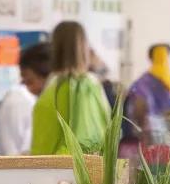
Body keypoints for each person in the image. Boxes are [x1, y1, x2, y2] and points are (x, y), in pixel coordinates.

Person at [31, 21, 112, 154]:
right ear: (84, 47)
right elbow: (104, 129)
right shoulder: (91, 85)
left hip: (51, 168)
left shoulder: (52, 86)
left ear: (55, 47)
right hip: (87, 169)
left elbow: (43, 135)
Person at [122, 43, 170, 162]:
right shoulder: (143, 83)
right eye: (159, 55)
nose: (162, 59)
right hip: (150, 137)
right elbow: (136, 111)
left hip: (169, 137)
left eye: (164, 55)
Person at [0, 40, 51, 154]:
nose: (30, 88)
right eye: (26, 82)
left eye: (30, 81)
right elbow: (27, 152)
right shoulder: (20, 100)